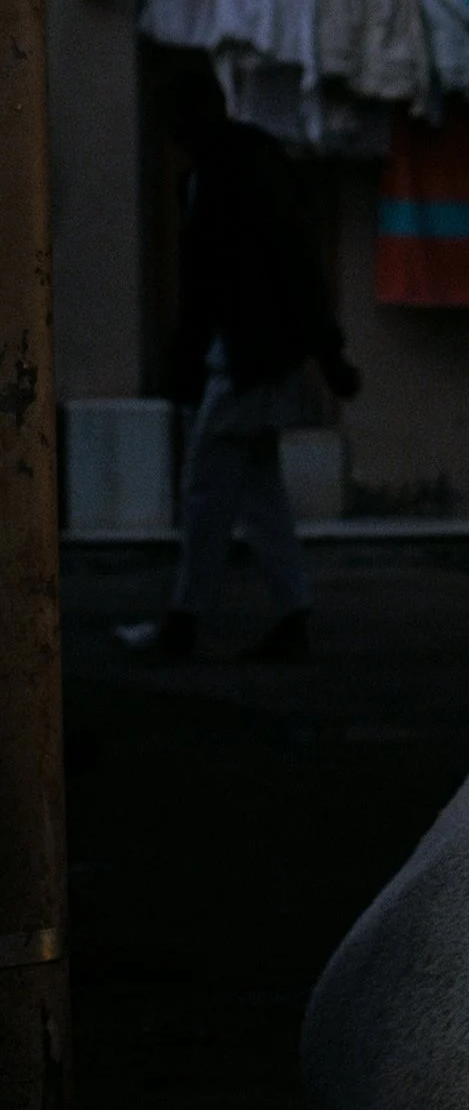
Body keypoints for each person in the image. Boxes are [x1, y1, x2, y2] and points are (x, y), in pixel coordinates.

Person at [118, 61, 360, 664]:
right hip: (257, 355)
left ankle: (185, 620)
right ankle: (288, 615)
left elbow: (257, 272)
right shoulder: (235, 166)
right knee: (257, 491)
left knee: (208, 487)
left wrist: (325, 353)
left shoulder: (229, 174)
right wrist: (327, 355)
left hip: (251, 358)